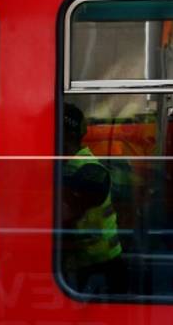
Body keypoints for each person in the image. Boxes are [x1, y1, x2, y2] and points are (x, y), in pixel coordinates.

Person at [59, 104, 128, 294]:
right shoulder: (63, 166)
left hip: (102, 268)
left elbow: (62, 215)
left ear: (69, 134)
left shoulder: (91, 172)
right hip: (81, 265)